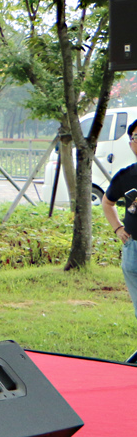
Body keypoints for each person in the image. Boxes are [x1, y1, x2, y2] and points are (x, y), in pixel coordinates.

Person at [100, 118, 137, 317]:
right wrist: (118, 228)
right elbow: (107, 203)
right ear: (131, 142)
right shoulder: (125, 176)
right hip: (134, 249)